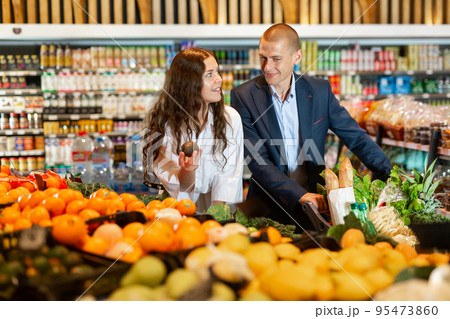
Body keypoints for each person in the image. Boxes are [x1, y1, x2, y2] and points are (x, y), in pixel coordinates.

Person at [231, 24, 392, 229]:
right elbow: (258, 160)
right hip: (266, 207)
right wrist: (300, 195)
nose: (267, 67)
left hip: (316, 205)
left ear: (297, 57)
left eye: (276, 59)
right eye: (263, 57)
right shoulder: (243, 96)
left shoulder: (319, 91)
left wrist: (392, 175)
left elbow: (355, 136)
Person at [143, 48, 243, 212]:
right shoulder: (167, 125)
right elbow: (181, 187)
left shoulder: (230, 118)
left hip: (222, 207)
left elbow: (228, 175)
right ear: (188, 83)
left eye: (217, 72)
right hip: (180, 209)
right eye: (209, 74)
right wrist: (187, 170)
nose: (219, 79)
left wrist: (215, 216)